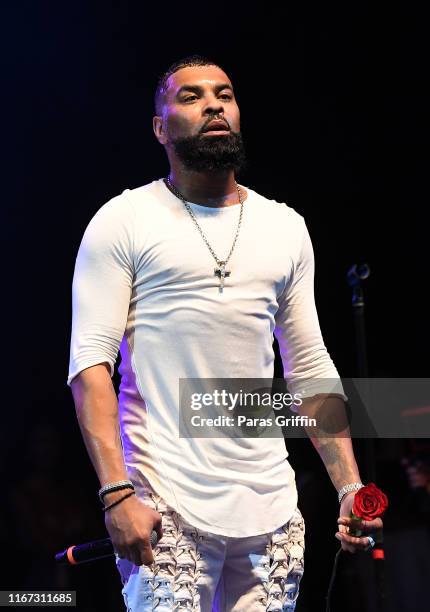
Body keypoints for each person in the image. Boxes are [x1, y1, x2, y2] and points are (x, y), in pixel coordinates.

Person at [67, 55, 382, 611]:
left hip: (271, 509)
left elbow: (308, 364)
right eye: (190, 96)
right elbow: (90, 365)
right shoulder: (124, 220)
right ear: (160, 127)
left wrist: (349, 487)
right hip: (165, 501)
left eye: (225, 94)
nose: (214, 104)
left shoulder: (285, 226)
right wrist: (117, 494)